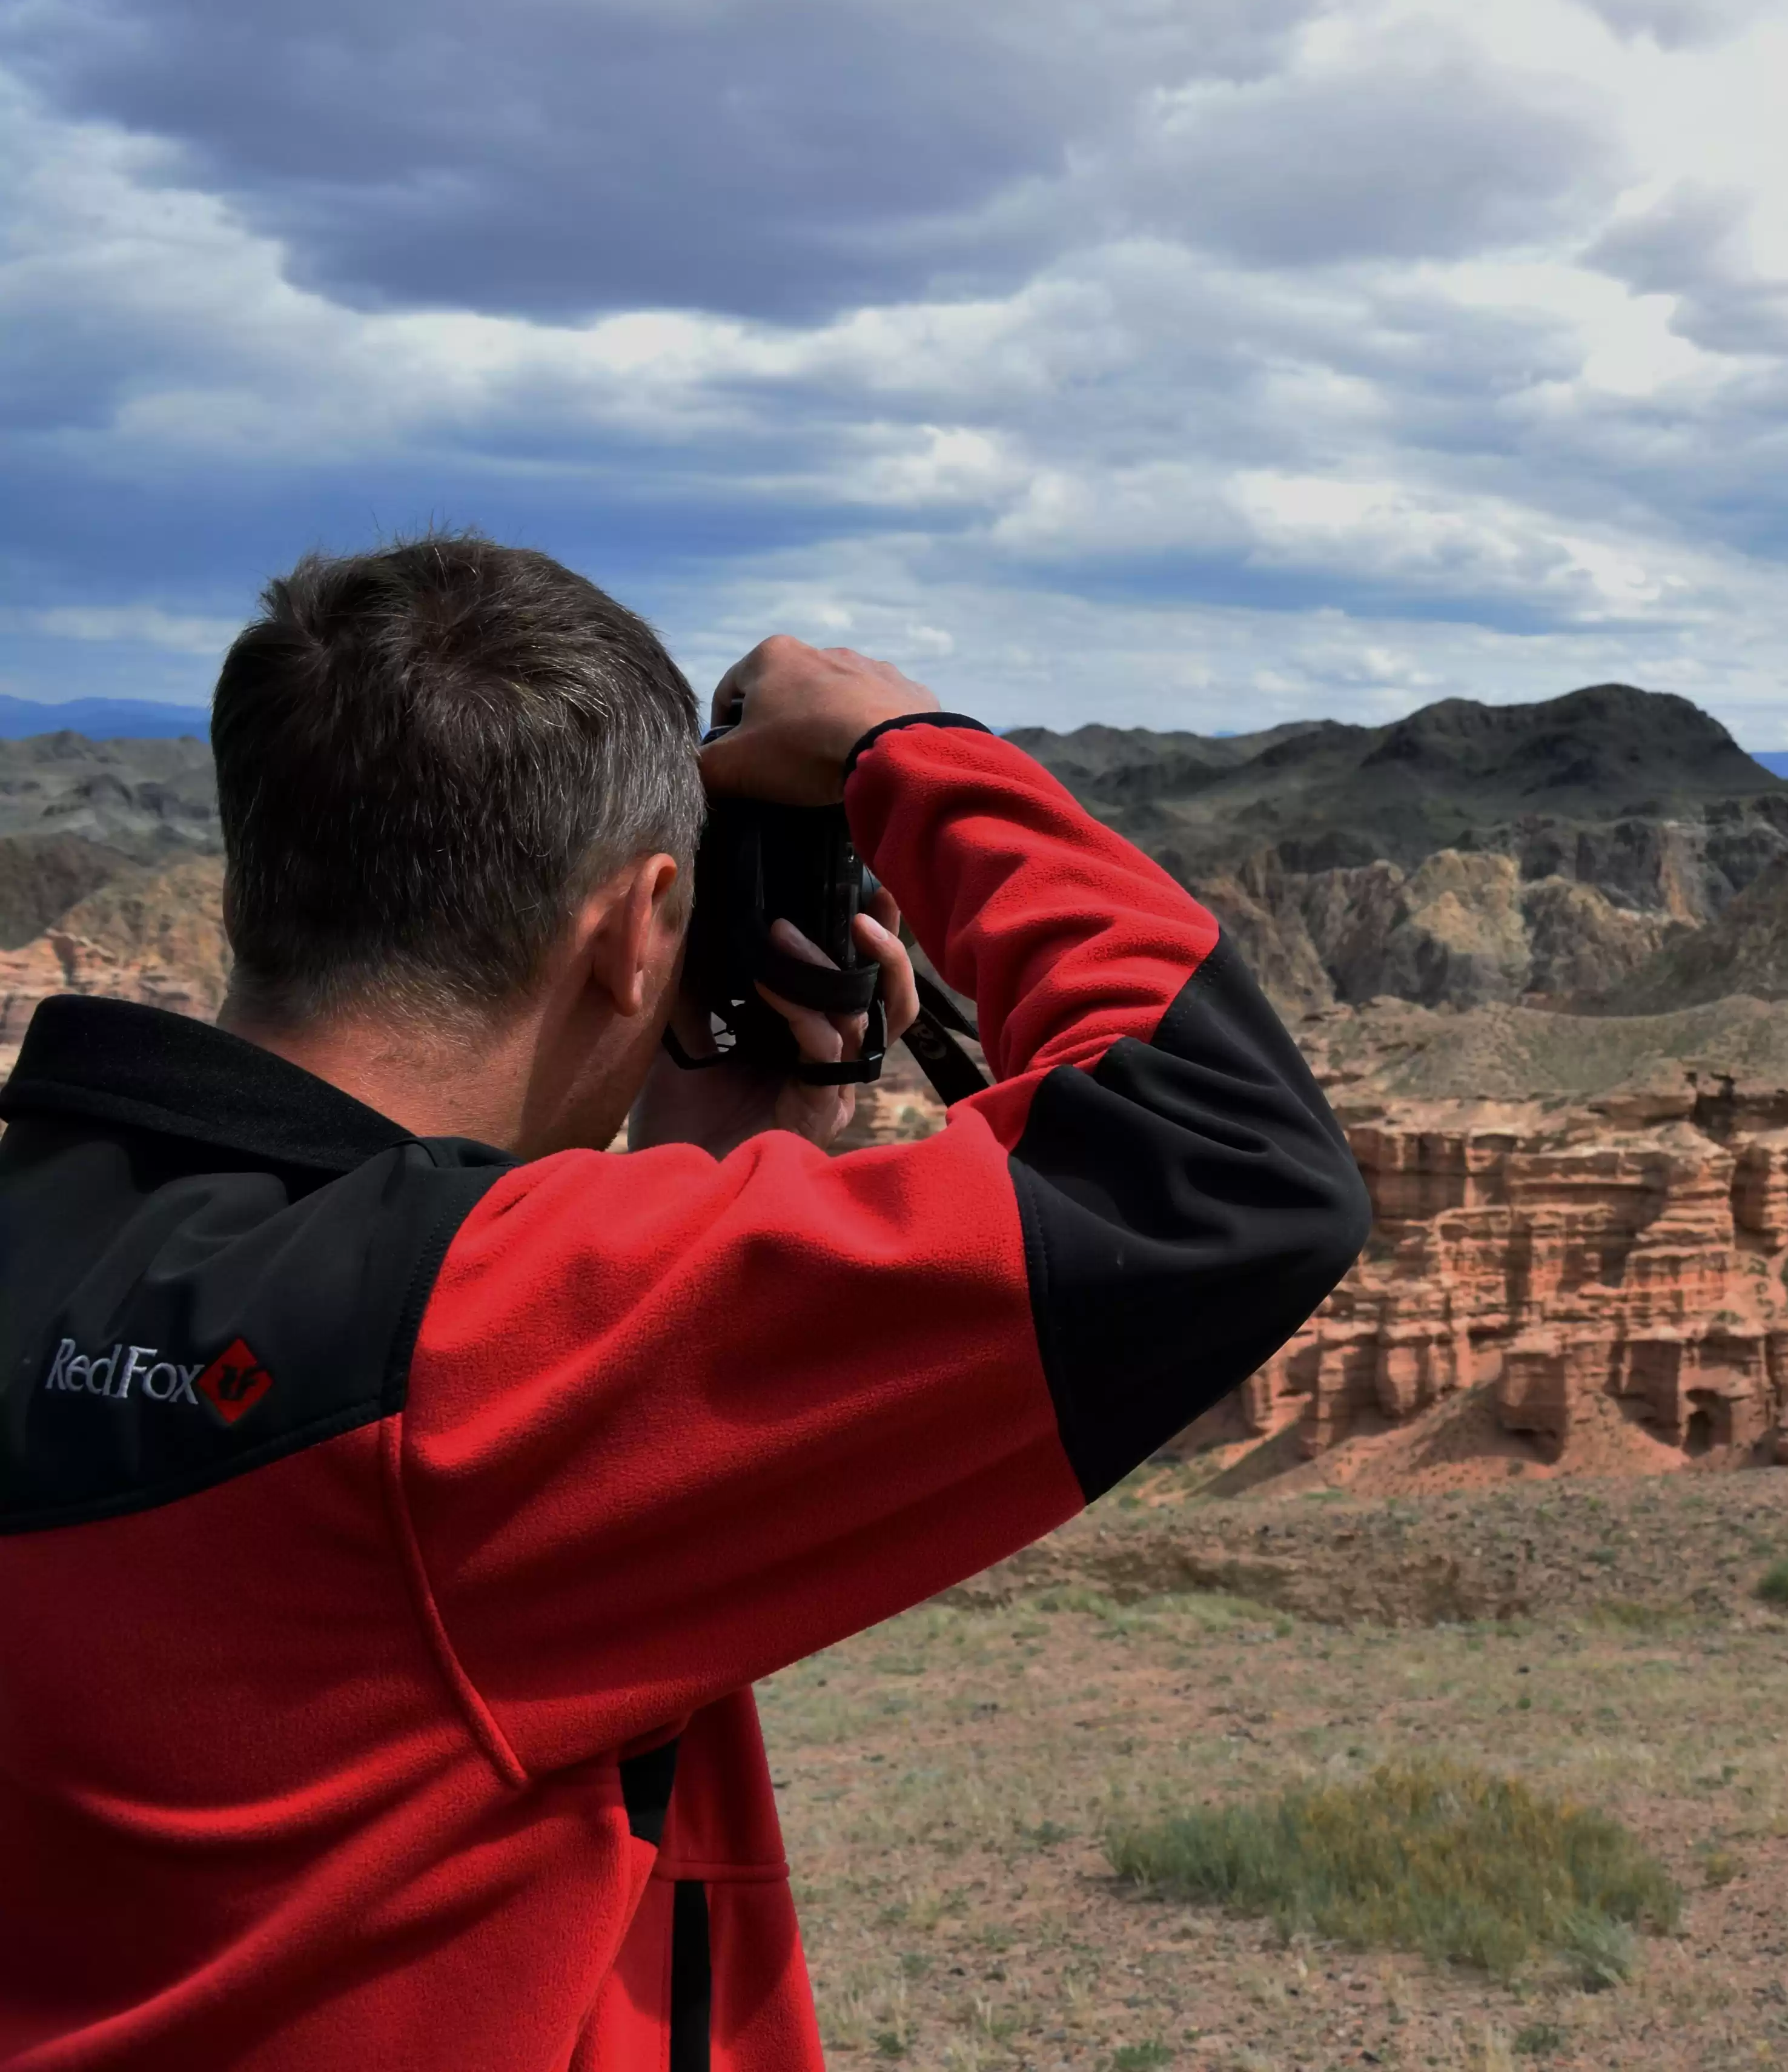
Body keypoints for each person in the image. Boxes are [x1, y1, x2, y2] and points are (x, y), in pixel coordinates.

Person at [0, 537, 1372, 2068]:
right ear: (645, 919)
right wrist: (909, 749)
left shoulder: (68, 1225)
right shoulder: (465, 1350)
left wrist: (724, 1161)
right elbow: (1232, 1163)